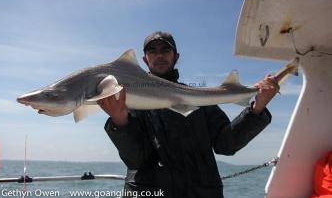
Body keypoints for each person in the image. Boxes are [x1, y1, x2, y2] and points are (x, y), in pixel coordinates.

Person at [97, 31, 279, 198]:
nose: (159, 55)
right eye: (152, 51)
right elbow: (136, 159)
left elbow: (226, 144)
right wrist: (120, 122)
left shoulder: (198, 98)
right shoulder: (128, 101)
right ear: (144, 59)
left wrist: (256, 109)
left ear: (176, 56)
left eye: (165, 49)